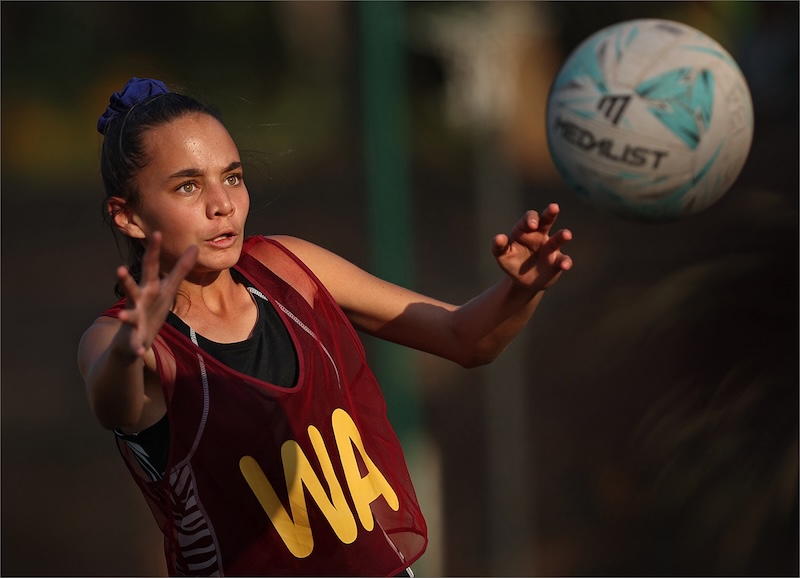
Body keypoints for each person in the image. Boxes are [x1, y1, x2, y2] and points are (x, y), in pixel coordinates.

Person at [78, 77, 574, 577]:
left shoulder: (290, 269)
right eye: (188, 186)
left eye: (232, 177)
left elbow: (464, 338)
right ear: (129, 218)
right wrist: (127, 349)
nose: (222, 204)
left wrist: (520, 289)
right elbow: (111, 401)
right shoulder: (123, 342)